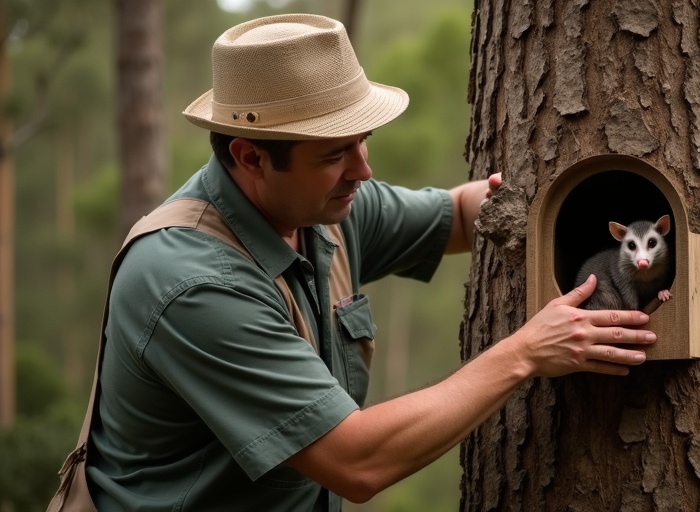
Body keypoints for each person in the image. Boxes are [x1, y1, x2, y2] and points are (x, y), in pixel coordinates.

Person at [84, 13, 656, 511]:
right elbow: (356, 461)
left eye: (364, 140)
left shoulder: (319, 205)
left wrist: (565, 193)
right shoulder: (192, 283)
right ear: (251, 156)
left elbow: (459, 216)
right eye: (336, 153)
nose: (364, 169)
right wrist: (525, 352)